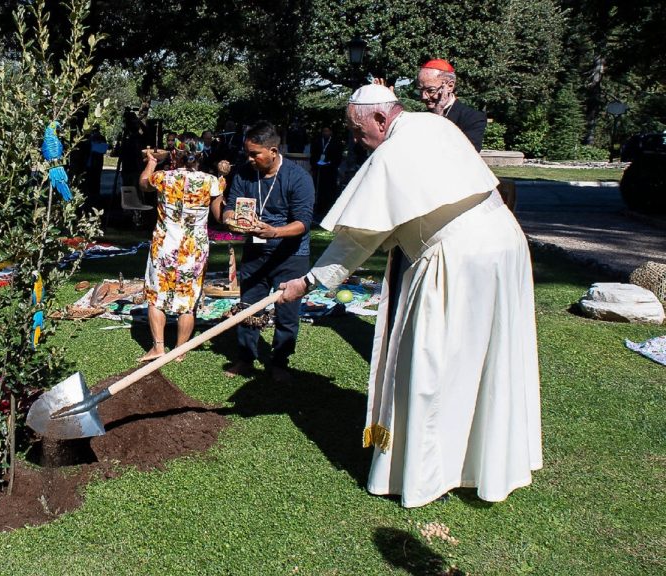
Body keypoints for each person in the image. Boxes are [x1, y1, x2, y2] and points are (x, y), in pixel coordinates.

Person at [277, 84, 542, 507]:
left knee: (430, 363)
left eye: (357, 129)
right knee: (489, 357)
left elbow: (359, 239)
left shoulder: (392, 153)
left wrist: (306, 283)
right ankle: (482, 465)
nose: (355, 139)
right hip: (504, 244)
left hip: (458, 259)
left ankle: (428, 473)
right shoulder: (434, 126)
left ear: (381, 119)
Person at [211, 121, 315, 384]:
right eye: (247, 152)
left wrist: (274, 232)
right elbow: (229, 207)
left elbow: (303, 222)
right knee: (248, 307)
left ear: (272, 150)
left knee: (288, 313)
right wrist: (233, 219)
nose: (249, 158)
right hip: (256, 252)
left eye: (255, 153)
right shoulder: (245, 174)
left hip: (291, 254)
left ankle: (280, 362)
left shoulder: (298, 177)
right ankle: (245, 358)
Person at [136, 137, 222, 362]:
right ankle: (179, 350)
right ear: (201, 156)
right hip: (194, 249)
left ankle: (159, 347)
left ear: (176, 155)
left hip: (165, 245)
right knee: (188, 301)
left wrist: (153, 161)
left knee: (157, 295)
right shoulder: (211, 182)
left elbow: (143, 182)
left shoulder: (163, 177)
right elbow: (218, 216)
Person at [416, 58, 486, 152]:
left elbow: (468, 153)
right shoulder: (419, 118)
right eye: (421, 90)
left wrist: (438, 116)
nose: (424, 97)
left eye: (431, 90)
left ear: (450, 86)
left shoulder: (472, 117)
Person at [309, 125, 344, 216]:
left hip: (330, 171)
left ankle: (328, 209)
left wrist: (329, 163)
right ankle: (318, 209)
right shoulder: (317, 141)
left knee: (329, 190)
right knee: (318, 190)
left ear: (331, 132)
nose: (325, 133)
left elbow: (338, 157)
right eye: (324, 131)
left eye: (327, 131)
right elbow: (313, 154)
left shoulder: (336, 142)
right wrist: (315, 163)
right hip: (319, 170)